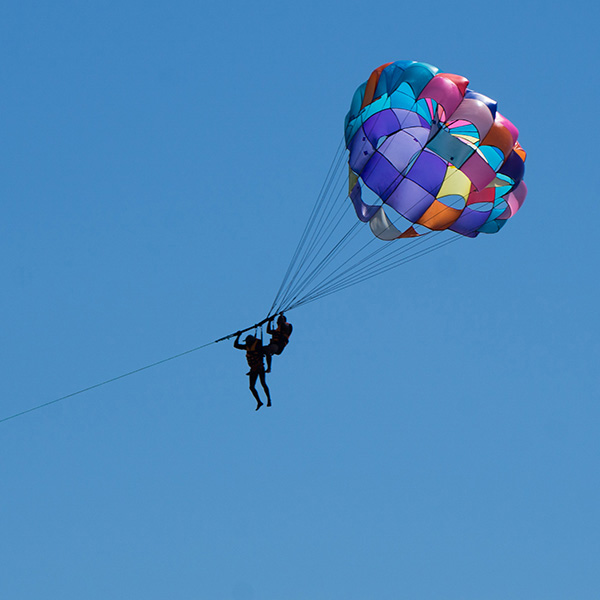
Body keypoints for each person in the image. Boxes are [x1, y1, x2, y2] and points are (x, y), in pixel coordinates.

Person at [233, 332, 271, 410]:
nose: (247, 343)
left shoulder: (259, 347)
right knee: (251, 387)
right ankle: (259, 402)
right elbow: (236, 345)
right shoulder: (246, 347)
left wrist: (269, 367)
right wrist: (238, 336)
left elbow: (268, 355)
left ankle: (268, 400)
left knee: (263, 383)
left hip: (260, 368)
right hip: (253, 369)